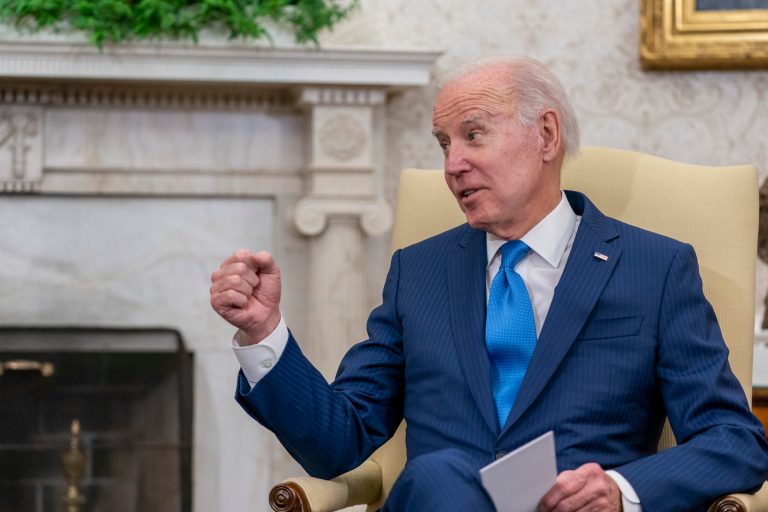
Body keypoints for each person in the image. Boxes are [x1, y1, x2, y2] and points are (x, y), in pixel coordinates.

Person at [210, 56, 768, 511]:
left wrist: (620, 492)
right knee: (443, 475)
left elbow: (733, 438)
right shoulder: (418, 272)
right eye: (443, 144)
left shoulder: (654, 267)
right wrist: (264, 333)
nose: (453, 164)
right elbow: (337, 442)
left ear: (546, 134)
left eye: (473, 136)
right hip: (439, 499)